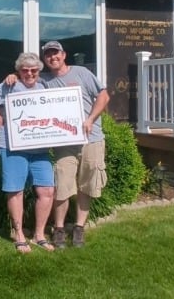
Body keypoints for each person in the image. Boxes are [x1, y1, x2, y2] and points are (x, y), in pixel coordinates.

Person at [7, 41, 110, 249]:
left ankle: (79, 227)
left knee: (86, 185)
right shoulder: (45, 80)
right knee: (62, 185)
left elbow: (104, 96)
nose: (53, 57)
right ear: (45, 60)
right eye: (48, 55)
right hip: (66, 142)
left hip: (92, 138)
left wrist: (90, 120)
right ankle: (60, 228)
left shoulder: (81, 73)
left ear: (64, 55)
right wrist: (13, 76)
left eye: (56, 53)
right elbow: (28, 77)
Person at [0, 52, 56, 253]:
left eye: (34, 70)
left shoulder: (44, 86)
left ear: (39, 71)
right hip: (12, 146)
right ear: (18, 71)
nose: (30, 74)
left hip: (40, 147)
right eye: (25, 70)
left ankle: (39, 235)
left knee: (47, 190)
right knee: (16, 189)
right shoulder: (10, 84)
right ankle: (19, 234)